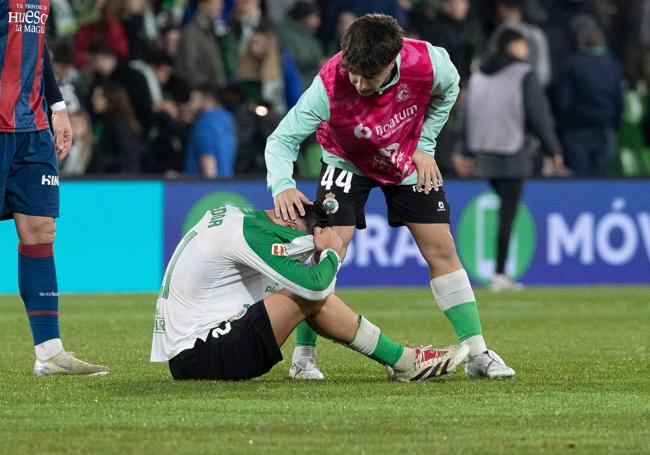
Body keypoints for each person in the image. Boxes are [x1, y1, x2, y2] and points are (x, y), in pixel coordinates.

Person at [265, 14, 515, 380]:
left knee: (441, 248)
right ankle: (303, 356)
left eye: (370, 76)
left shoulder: (428, 63)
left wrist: (426, 145)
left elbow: (452, 87)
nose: (359, 83)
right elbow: (282, 139)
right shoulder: (329, 84)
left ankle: (477, 354)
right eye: (354, 72)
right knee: (326, 250)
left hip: (406, 158)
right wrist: (282, 184)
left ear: (394, 61)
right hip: (345, 160)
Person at [150, 203, 469, 381]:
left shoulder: (237, 215)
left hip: (191, 352)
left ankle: (397, 360)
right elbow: (315, 286)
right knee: (305, 292)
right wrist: (329, 253)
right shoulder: (250, 235)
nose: (297, 250)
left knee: (292, 286)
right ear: (289, 223)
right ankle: (405, 361)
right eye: (300, 242)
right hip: (201, 356)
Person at [1, 0, 108, 375]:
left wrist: (58, 105)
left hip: (31, 129)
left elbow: (36, 44)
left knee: (41, 230)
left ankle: (49, 352)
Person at [461, 28, 564, 291]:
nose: (526, 51)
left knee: (504, 210)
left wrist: (466, 149)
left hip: (484, 149)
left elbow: (467, 113)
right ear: (513, 45)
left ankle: (499, 271)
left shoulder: (479, 74)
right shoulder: (523, 74)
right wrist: (553, 148)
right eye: (523, 45)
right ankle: (499, 273)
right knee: (508, 212)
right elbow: (538, 115)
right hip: (512, 148)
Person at [555, 18, 623, 177]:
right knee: (602, 178)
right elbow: (619, 100)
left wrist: (564, 125)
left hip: (576, 130)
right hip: (605, 128)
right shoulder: (612, 64)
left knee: (580, 181)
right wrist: (614, 124)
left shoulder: (571, 65)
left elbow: (563, 102)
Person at [183, 84, 237, 178]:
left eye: (193, 100)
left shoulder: (205, 125)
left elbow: (208, 164)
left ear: (206, 100)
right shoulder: (226, 118)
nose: (189, 104)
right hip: (226, 184)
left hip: (204, 189)